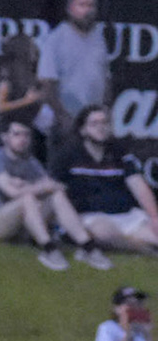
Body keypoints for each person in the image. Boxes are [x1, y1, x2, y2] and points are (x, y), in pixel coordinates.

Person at [0, 117, 109, 271]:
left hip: (18, 227)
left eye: (26, 135)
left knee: (55, 196)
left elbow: (54, 186)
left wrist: (31, 186)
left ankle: (87, 246)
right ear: (5, 137)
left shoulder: (31, 162)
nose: (22, 139)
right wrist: (36, 188)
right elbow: (12, 192)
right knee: (27, 198)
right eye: (17, 134)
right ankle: (48, 249)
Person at [50, 105, 158, 255]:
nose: (101, 127)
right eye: (94, 124)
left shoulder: (120, 152)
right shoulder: (68, 155)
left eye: (105, 123)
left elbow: (138, 186)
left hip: (125, 216)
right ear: (83, 129)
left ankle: (138, 245)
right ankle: (144, 250)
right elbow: (55, 191)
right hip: (89, 217)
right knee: (104, 233)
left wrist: (154, 218)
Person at [37, 0, 108, 134]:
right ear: (70, 9)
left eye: (91, 5)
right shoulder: (56, 39)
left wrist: (106, 110)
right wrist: (63, 116)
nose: (87, 10)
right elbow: (47, 83)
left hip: (93, 122)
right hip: (65, 121)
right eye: (82, 5)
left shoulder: (98, 39)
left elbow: (105, 77)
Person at [0, 33, 50, 135]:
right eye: (31, 47)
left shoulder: (33, 71)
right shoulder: (8, 73)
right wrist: (26, 101)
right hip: (9, 131)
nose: (35, 49)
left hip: (29, 127)